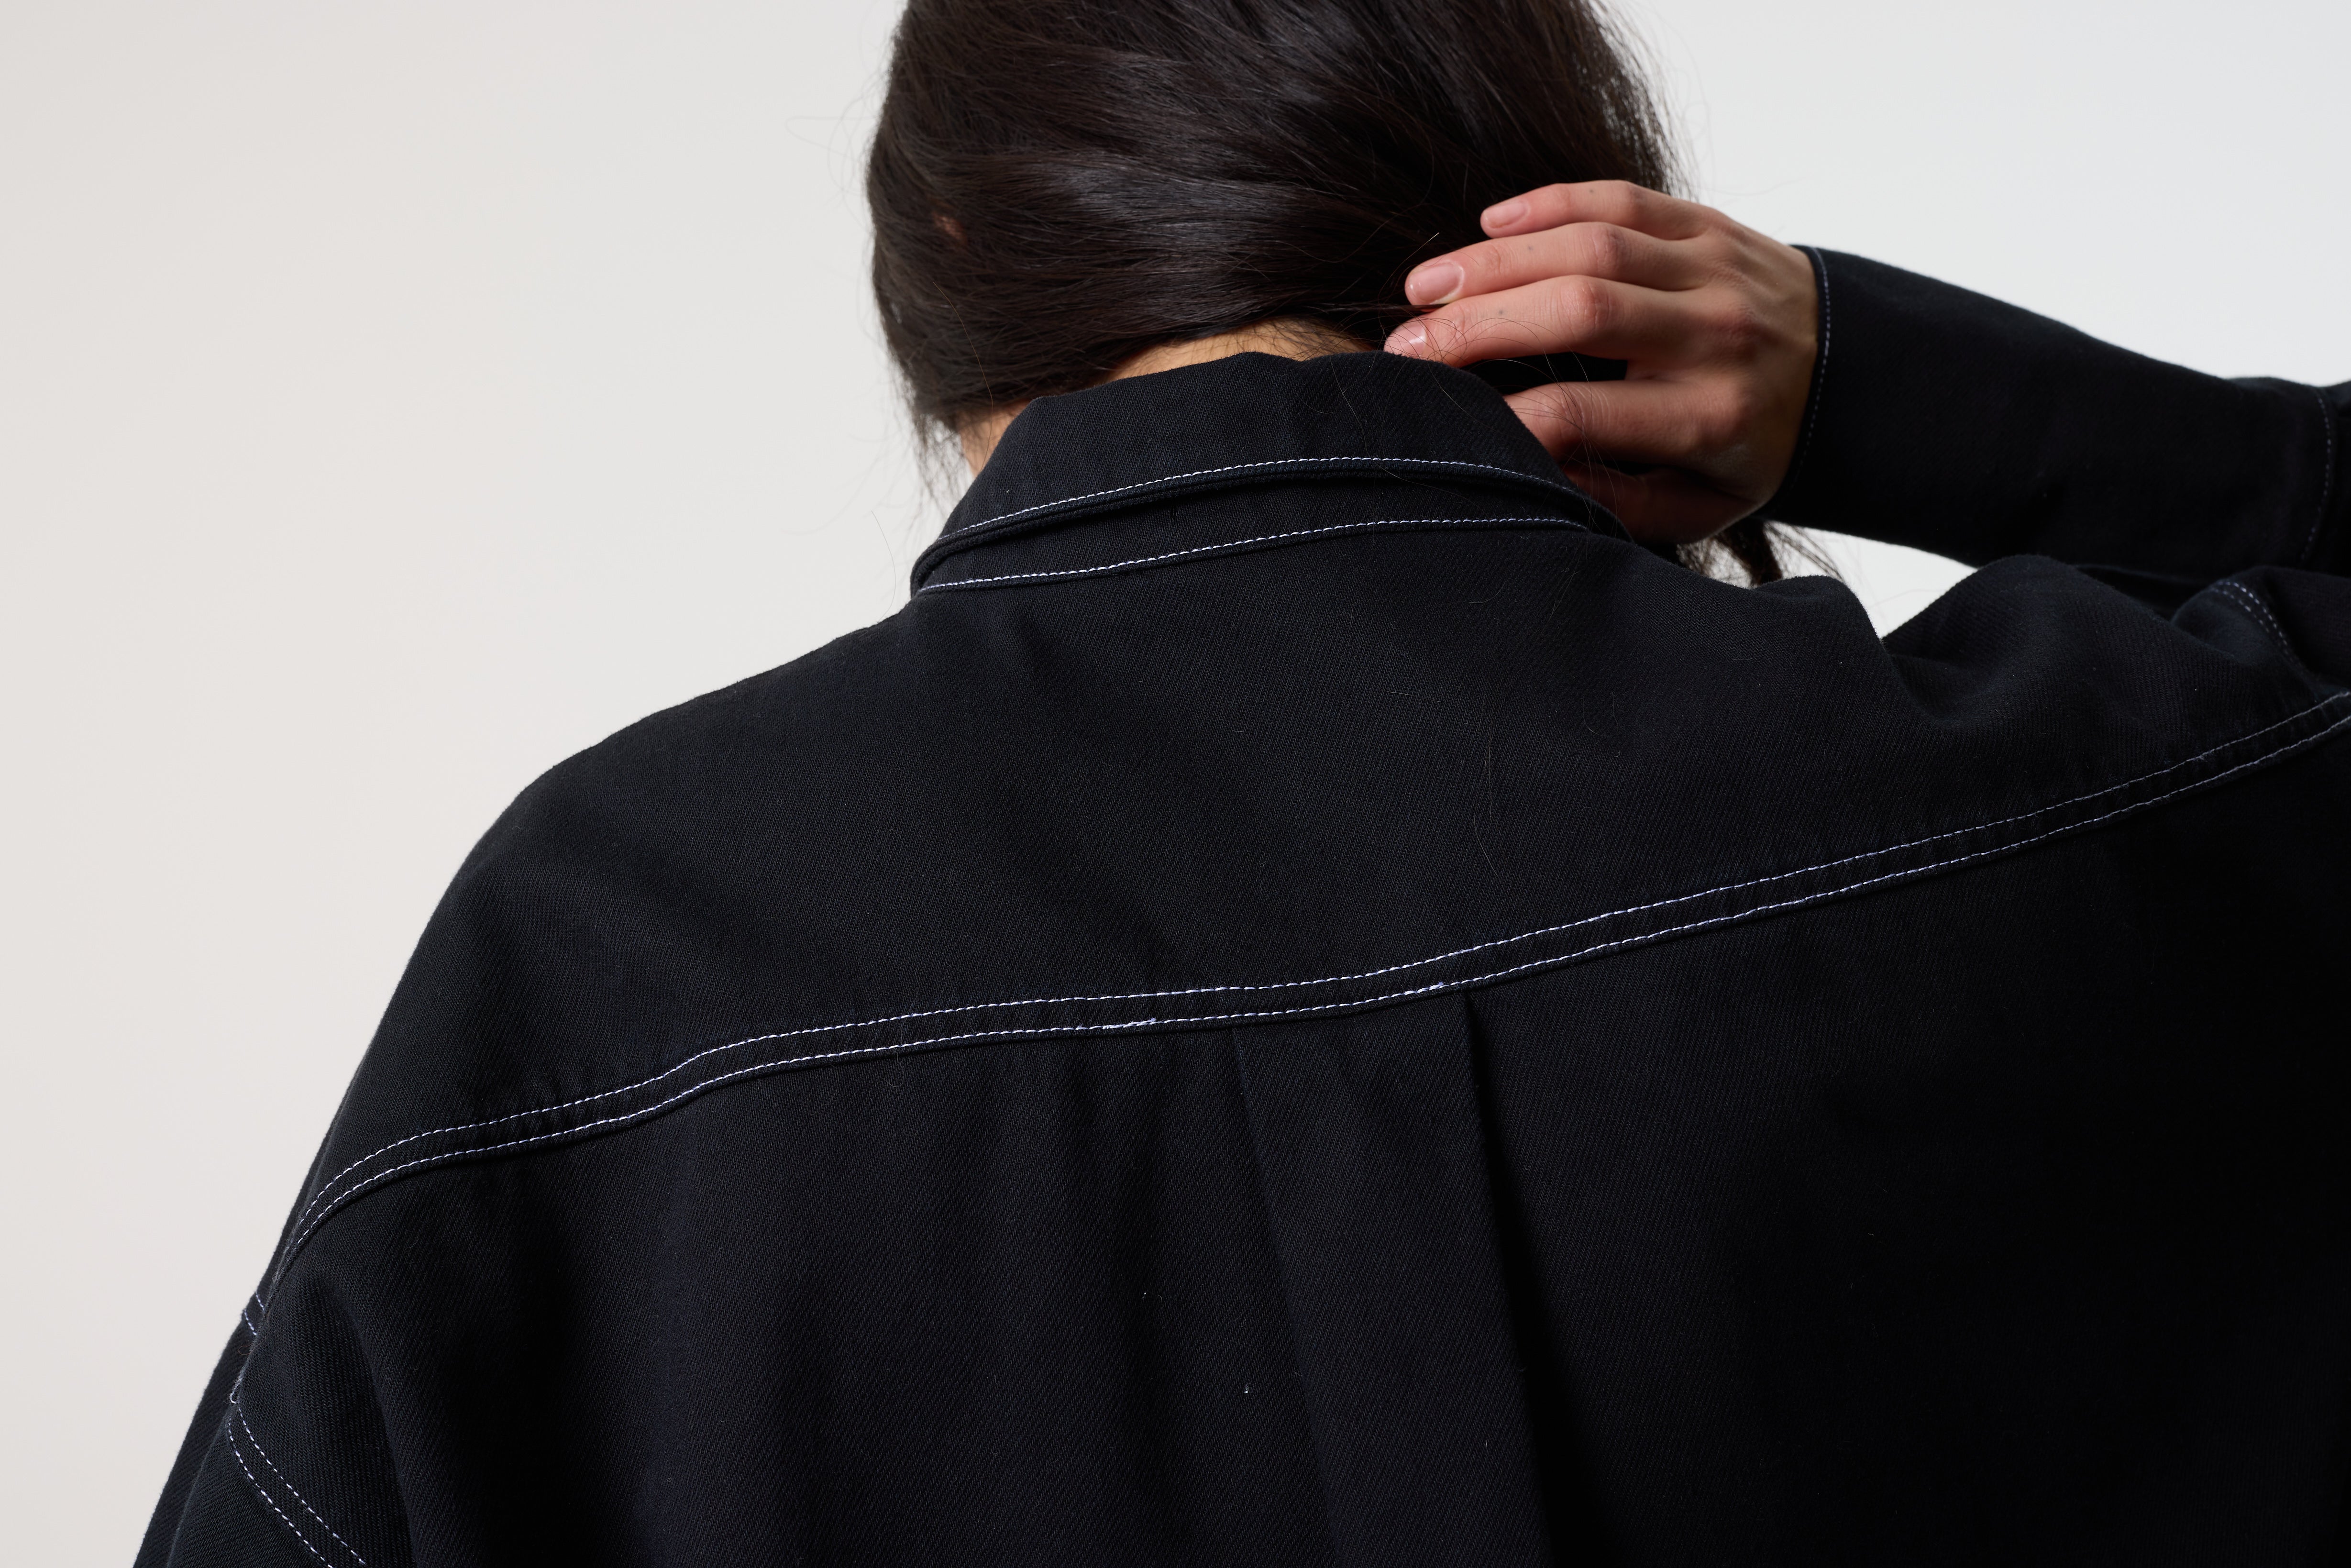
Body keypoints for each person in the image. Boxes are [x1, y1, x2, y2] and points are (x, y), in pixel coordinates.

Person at [140, 1, 2350, 1564]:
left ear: (951, 261)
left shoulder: (614, 943)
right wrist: (1881, 386)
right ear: (1570, 220)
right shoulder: (2112, 794)